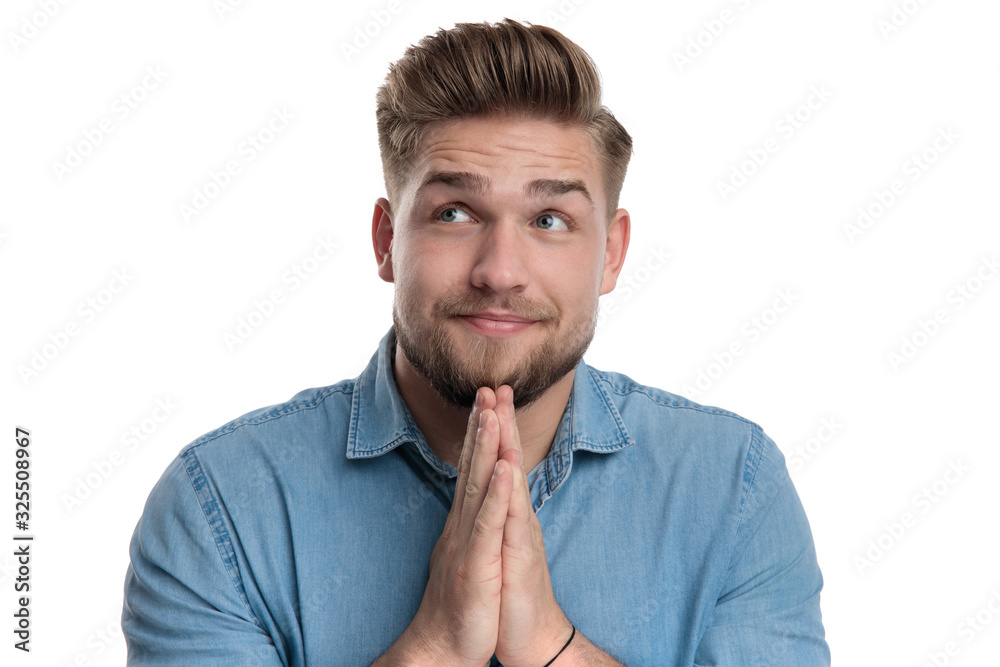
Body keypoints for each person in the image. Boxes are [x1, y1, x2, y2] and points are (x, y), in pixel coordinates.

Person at [121, 18, 831, 666]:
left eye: (550, 218)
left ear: (611, 255)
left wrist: (554, 647)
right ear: (386, 241)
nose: (500, 271)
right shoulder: (221, 507)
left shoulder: (734, 485)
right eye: (455, 212)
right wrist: (432, 647)